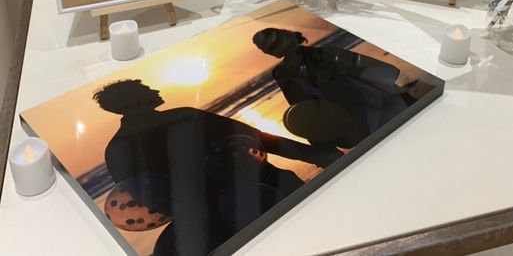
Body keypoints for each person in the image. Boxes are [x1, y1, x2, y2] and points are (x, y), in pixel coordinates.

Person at [94, 80, 339, 255]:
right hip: (261, 193)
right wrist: (316, 155)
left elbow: (150, 201)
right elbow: (258, 138)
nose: (154, 90)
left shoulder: (116, 149)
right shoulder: (184, 116)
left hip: (205, 224)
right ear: (131, 102)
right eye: (145, 88)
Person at [253, 28, 418, 147]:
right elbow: (369, 71)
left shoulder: (286, 72)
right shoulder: (320, 56)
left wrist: (318, 140)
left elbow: (300, 108)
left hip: (356, 119)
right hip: (365, 110)